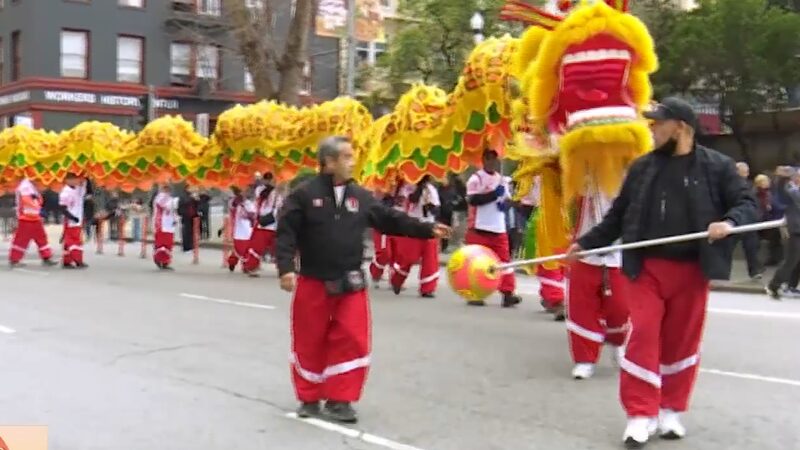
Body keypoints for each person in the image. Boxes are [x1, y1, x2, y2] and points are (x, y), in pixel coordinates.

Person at [566, 97, 757, 446]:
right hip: (645, 268)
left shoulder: (718, 167)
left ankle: (671, 411)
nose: (651, 129)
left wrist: (728, 223)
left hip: (692, 269)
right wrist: (585, 244)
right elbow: (617, 217)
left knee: (681, 341)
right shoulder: (642, 169)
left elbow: (747, 203)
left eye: (658, 123)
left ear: (681, 127)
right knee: (643, 336)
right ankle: (640, 413)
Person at [276, 136, 450, 423]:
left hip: (351, 282)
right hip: (313, 282)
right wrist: (285, 268)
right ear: (329, 162)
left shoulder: (361, 196)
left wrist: (427, 228)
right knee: (310, 340)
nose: (352, 161)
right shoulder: (304, 195)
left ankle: (340, 399)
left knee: (353, 339)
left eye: (352, 156)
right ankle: (309, 397)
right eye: (346, 157)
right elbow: (286, 233)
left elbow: (391, 218)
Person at [566, 188, 628, 380]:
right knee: (582, 309)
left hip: (619, 254)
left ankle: (618, 343)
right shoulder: (579, 176)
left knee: (621, 308)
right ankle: (585, 360)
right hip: (584, 254)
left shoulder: (632, 175)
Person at [464, 149, 522, 307]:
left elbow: (506, 203)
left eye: (493, 159)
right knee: (477, 263)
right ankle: (475, 293)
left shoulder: (502, 180)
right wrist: (493, 194)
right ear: (483, 160)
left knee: (505, 263)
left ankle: (508, 293)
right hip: (479, 227)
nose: (491, 162)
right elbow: (473, 200)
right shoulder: (475, 179)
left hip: (498, 227)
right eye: (488, 159)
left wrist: (507, 202)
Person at [390, 176, 442, 298]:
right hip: (412, 226)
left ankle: (427, 288)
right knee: (408, 257)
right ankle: (397, 280)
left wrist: (430, 205)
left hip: (429, 226)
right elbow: (411, 201)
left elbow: (436, 211)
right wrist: (419, 189)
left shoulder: (431, 190)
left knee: (430, 258)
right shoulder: (406, 188)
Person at [766, 167, 800, 300]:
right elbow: (779, 190)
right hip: (796, 230)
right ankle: (774, 285)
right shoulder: (791, 192)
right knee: (791, 260)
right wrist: (782, 177)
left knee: (795, 261)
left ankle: (789, 286)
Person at [9, 179, 56, 267]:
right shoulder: (25, 186)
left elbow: (37, 199)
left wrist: (39, 208)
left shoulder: (32, 185)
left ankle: (47, 257)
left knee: (42, 238)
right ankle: (15, 259)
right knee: (21, 239)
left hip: (35, 217)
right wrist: (39, 209)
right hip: (25, 218)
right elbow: (26, 200)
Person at [244, 174, 282, 276]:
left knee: (279, 248)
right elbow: (263, 196)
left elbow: (280, 206)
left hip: (274, 224)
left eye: (270, 179)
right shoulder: (261, 190)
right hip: (264, 224)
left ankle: (283, 269)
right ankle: (251, 267)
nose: (268, 181)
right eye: (267, 179)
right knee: (257, 246)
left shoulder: (277, 192)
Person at [733, 162, 764, 279]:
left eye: (746, 172)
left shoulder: (750, 186)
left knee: (752, 246)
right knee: (727, 245)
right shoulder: (731, 185)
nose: (746, 174)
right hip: (735, 220)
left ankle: (754, 270)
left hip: (750, 221)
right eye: (743, 171)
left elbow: (755, 203)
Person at [59, 173, 92, 269]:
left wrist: (87, 177)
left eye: (77, 179)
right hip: (71, 220)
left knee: (69, 241)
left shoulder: (78, 189)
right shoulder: (65, 192)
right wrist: (72, 217)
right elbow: (62, 208)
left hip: (78, 218)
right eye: (74, 179)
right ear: (67, 180)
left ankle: (67, 261)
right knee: (74, 241)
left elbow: (89, 192)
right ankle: (78, 260)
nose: (76, 181)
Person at [227, 186, 255, 273]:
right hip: (239, 229)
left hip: (249, 229)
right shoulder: (234, 202)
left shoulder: (249, 203)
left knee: (246, 248)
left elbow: (253, 214)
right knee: (240, 248)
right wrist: (238, 200)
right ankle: (240, 264)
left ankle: (244, 265)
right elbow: (232, 207)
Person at [153, 184, 177, 270]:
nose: (168, 190)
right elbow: (163, 205)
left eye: (169, 188)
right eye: (166, 188)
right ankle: (160, 261)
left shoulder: (170, 198)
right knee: (161, 244)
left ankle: (166, 262)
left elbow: (173, 210)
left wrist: (175, 219)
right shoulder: (160, 197)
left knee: (168, 244)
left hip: (169, 225)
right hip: (161, 224)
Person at [178, 187, 201, 253]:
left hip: (193, 216)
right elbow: (184, 203)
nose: (192, 189)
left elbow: (197, 205)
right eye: (190, 187)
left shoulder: (193, 196)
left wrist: (197, 200)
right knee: (186, 232)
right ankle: (186, 247)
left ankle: (191, 246)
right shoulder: (183, 196)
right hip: (186, 216)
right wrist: (192, 198)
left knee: (192, 232)